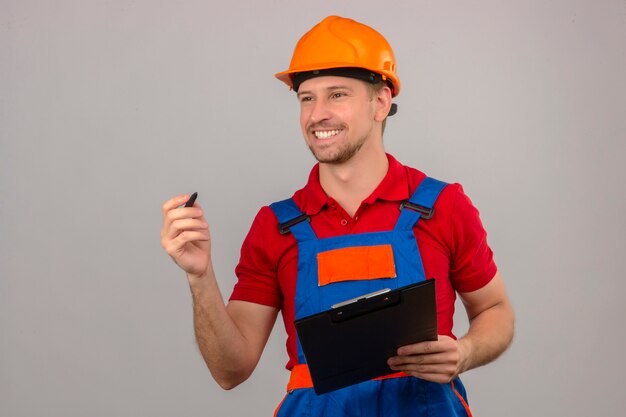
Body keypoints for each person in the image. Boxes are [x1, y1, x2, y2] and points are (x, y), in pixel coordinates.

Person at [160, 15, 514, 417]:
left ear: (380, 102)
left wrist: (464, 352)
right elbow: (230, 370)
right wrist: (199, 276)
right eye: (306, 98)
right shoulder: (277, 227)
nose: (317, 114)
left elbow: (495, 310)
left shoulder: (442, 206)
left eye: (337, 95)